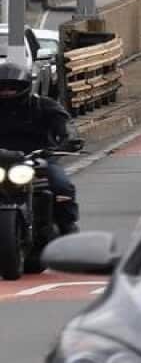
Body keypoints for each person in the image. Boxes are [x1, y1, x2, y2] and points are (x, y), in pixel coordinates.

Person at [0, 59, 78, 234]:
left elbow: (66, 125)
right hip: (1, 161)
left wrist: (70, 139)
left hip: (38, 161)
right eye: (2, 88)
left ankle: (67, 227)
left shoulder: (44, 105)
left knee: (61, 185)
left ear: (25, 86)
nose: (6, 93)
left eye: (12, 88)